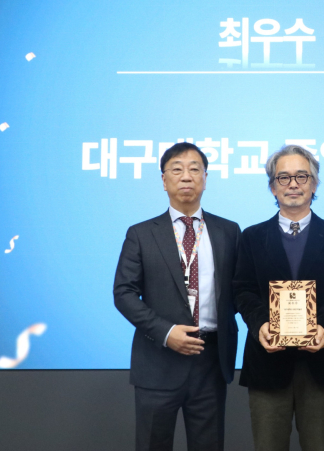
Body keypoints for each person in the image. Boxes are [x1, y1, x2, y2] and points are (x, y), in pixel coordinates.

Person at [113, 142, 241, 451]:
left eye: (195, 169)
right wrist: (166, 332)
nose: (186, 176)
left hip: (211, 360)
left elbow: (240, 289)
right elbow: (124, 293)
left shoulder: (228, 231)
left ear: (205, 178)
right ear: (163, 179)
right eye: (177, 169)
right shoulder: (141, 233)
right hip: (158, 361)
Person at [232, 144, 324, 451]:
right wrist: (261, 325)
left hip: (321, 362)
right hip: (268, 362)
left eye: (302, 176)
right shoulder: (252, 236)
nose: (293, 184)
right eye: (283, 177)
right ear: (272, 187)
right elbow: (242, 290)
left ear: (314, 184)